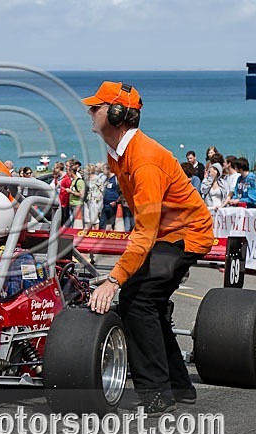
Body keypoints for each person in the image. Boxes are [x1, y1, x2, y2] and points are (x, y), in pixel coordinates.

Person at [82, 81, 214, 415]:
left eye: (96, 107)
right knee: (146, 303)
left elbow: (143, 231)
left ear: (115, 114)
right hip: (165, 235)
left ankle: (156, 393)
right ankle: (179, 387)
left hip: (185, 235)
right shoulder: (120, 155)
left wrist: (113, 280)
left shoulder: (144, 160)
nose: (89, 112)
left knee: (137, 301)